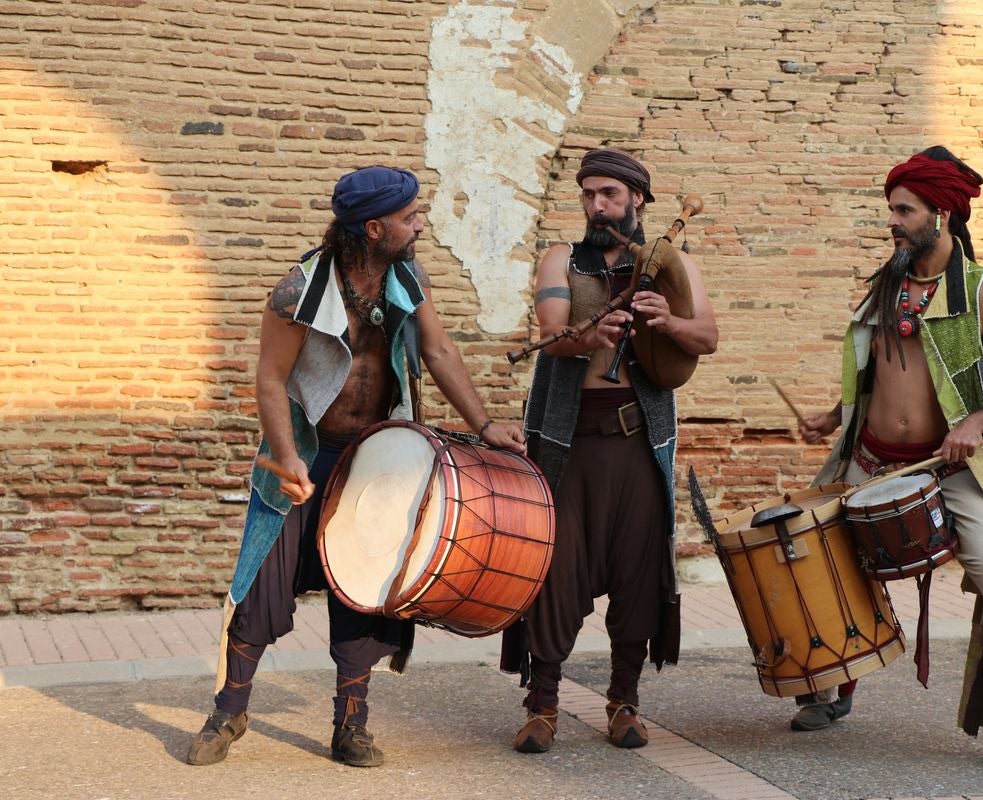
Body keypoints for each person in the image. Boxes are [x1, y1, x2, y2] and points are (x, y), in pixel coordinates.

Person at [186, 166, 526, 768]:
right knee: (263, 578)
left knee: (367, 585)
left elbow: (439, 350)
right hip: (305, 454)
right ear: (373, 228)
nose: (418, 225)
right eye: (409, 217)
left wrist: (484, 426)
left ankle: (351, 725)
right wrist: (287, 456)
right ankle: (228, 711)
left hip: (375, 458)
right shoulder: (298, 290)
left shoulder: (406, 277)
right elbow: (269, 378)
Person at [794, 146, 983, 777]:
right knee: (831, 568)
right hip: (871, 458)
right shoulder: (886, 283)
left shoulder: (982, 291)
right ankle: (836, 690)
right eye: (892, 209)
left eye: (905, 210)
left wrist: (976, 423)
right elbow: (879, 369)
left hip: (951, 469)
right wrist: (835, 413)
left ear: (943, 212)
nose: (893, 221)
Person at [501, 148, 718, 753]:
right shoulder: (561, 258)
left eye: (610, 195)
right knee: (554, 572)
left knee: (638, 574)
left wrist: (667, 322)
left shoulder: (674, 264)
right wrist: (590, 335)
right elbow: (551, 333)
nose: (597, 206)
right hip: (569, 444)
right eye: (589, 195)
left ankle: (624, 700)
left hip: (638, 445)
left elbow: (707, 335)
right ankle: (541, 705)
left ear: (637, 201)